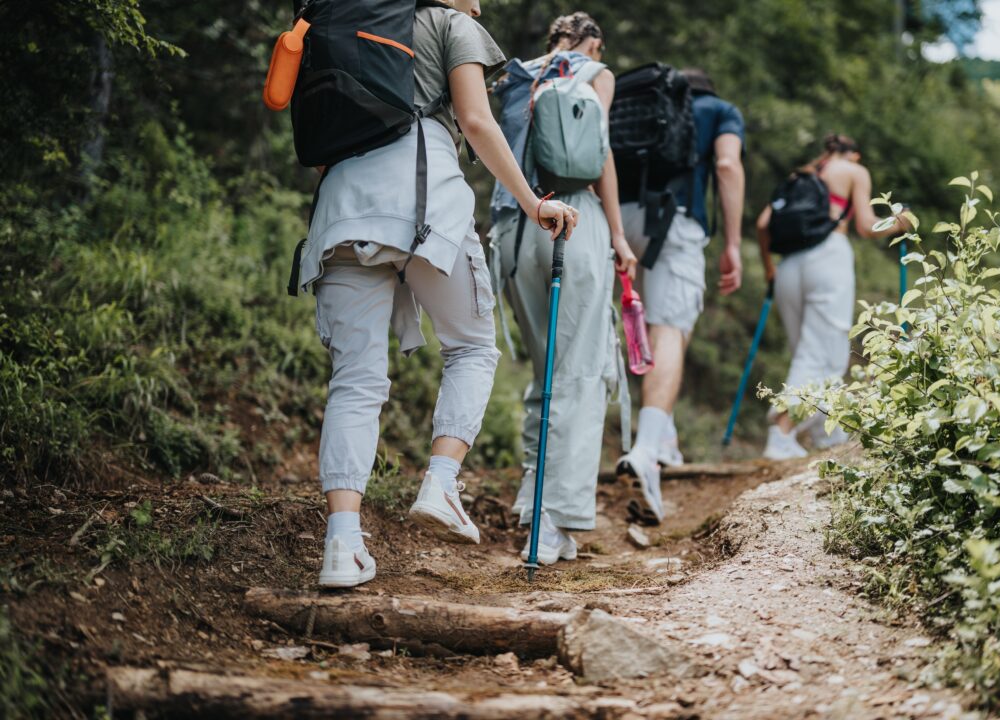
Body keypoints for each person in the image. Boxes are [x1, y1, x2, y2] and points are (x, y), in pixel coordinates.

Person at [299, 0, 580, 588]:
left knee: (354, 381)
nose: (482, 2)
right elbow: (476, 121)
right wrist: (534, 203)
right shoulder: (453, 25)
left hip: (343, 211)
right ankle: (441, 483)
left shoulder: (344, 28)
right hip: (424, 203)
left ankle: (341, 548)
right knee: (473, 346)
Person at [488, 12, 637, 565]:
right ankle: (555, 521)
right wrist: (619, 238)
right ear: (593, 40)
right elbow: (601, 156)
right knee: (579, 370)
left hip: (510, 227)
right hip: (571, 221)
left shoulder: (516, 75)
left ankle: (533, 500)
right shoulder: (595, 72)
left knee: (544, 367)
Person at [615, 68, 745, 525]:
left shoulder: (641, 107)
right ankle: (646, 453)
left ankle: (663, 434)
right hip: (674, 223)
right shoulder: (719, 111)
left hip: (621, 221)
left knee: (649, 328)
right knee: (671, 328)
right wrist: (732, 243)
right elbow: (727, 166)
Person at [756, 133, 908, 460]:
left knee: (807, 352)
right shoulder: (854, 171)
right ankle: (782, 432)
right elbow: (866, 227)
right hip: (828, 260)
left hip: (789, 267)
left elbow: (763, 223)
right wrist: (900, 223)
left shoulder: (802, 175)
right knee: (824, 355)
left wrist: (769, 268)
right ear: (854, 155)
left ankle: (828, 434)